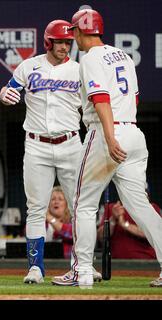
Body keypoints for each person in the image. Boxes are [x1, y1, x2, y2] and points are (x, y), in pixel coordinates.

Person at [52, 8, 162, 289]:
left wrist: (110, 137)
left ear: (78, 32)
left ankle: (83, 271)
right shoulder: (123, 56)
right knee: (141, 207)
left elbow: (100, 98)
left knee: (83, 204)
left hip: (107, 133)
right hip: (134, 133)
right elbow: (134, 99)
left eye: (74, 32)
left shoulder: (89, 59)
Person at [0, 20, 83, 284]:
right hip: (36, 144)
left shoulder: (80, 70)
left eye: (68, 42)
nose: (65, 46)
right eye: (60, 41)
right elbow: (9, 88)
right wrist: (4, 93)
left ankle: (82, 266)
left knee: (80, 208)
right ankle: (35, 268)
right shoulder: (29, 65)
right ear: (48, 42)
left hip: (71, 143)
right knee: (35, 208)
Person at [45, 186, 73, 259]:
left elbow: (73, 234)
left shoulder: (72, 220)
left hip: (67, 264)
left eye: (60, 199)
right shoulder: (43, 222)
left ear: (67, 204)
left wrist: (50, 218)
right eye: (53, 199)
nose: (56, 202)